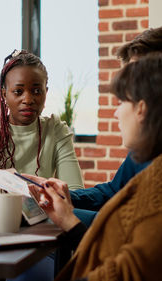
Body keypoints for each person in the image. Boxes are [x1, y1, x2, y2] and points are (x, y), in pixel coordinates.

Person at [29, 53, 162, 281]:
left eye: (121, 103)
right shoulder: (151, 171)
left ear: (141, 108)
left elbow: (122, 273)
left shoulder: (155, 191)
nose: (116, 113)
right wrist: (68, 218)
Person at [0, 50, 83, 205]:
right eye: (18, 92)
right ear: (4, 94)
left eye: (37, 91)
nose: (28, 99)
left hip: (42, 221)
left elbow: (74, 192)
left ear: (46, 92)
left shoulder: (56, 130)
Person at [70, 26, 162, 225]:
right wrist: (66, 197)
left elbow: (127, 228)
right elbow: (114, 192)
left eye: (139, 75)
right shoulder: (146, 145)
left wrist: (66, 217)